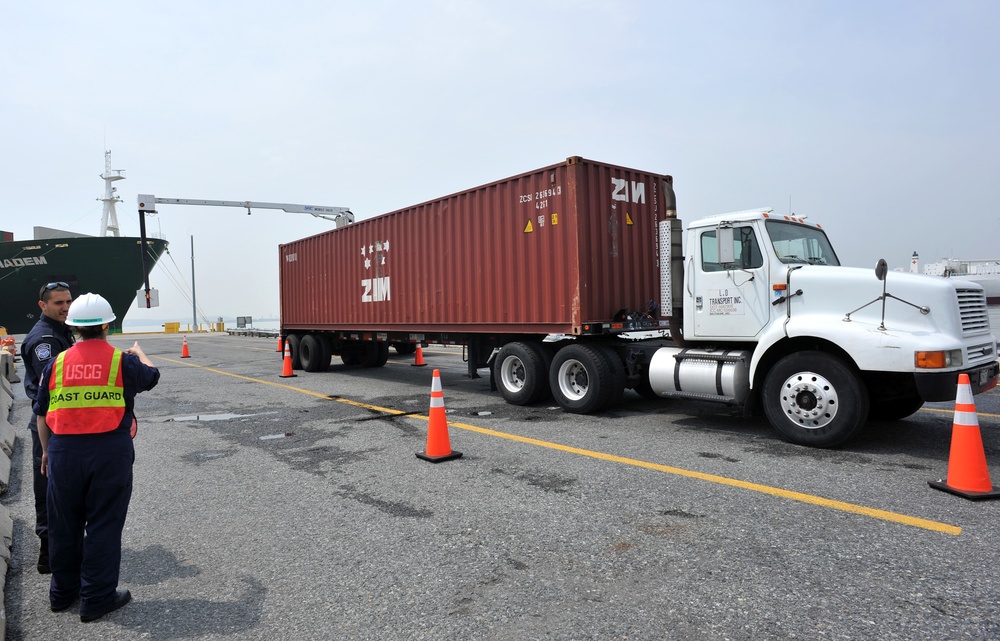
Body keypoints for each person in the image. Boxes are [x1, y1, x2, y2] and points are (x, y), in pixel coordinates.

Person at [34, 292, 160, 623]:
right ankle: (97, 597)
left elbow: (42, 414)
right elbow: (153, 376)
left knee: (64, 525)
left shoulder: (55, 364)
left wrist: (46, 452)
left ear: (73, 327)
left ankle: (61, 594)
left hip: (63, 452)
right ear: (107, 325)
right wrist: (139, 352)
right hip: (109, 453)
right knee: (103, 524)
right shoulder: (124, 362)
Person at [20, 281, 75, 574]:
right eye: (58, 303)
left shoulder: (60, 333)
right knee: (49, 486)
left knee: (62, 484)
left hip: (58, 420)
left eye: (68, 302)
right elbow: (54, 384)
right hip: (49, 423)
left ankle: (62, 547)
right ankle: (48, 552)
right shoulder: (45, 339)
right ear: (43, 305)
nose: (65, 307)